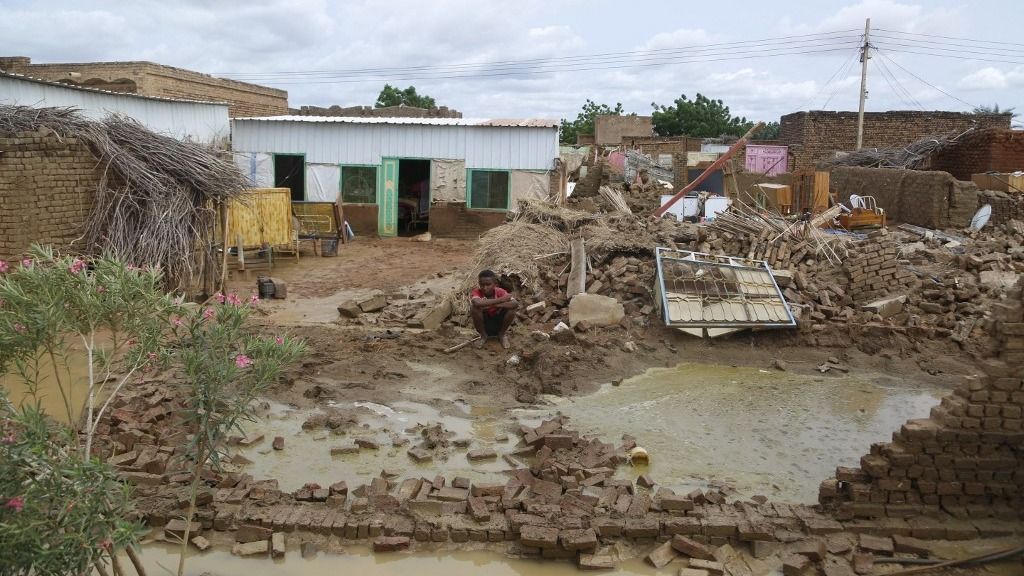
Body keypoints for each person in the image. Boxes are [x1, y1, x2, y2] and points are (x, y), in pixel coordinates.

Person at [470, 269, 518, 349]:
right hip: (484, 325)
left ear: (495, 284)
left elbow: (515, 304)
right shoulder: (476, 292)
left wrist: (494, 305)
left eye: (488, 284)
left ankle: (502, 335)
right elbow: (477, 303)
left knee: (512, 309)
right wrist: (501, 300)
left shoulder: (500, 291)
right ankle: (483, 336)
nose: (485, 288)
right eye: (482, 285)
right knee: (474, 308)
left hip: (499, 324)